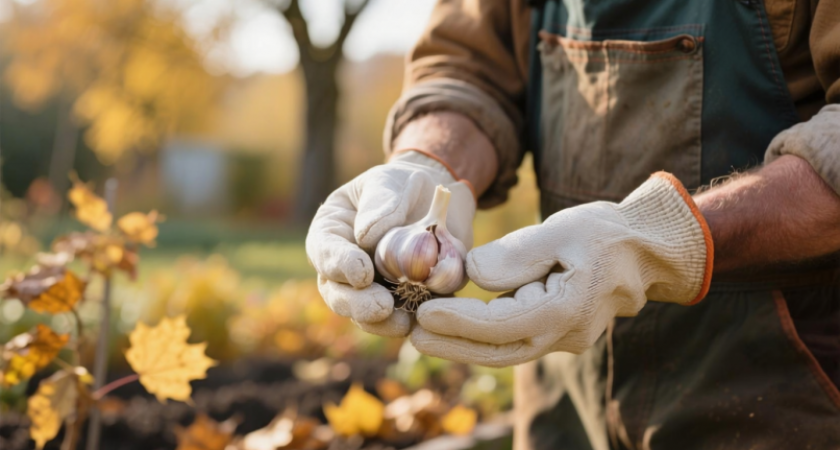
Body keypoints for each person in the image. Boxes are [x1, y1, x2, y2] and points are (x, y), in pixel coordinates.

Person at [306, 0, 840, 448]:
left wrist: (665, 238)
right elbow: (469, 65)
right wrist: (428, 163)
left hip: (779, 383)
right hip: (561, 382)